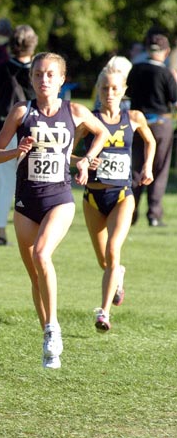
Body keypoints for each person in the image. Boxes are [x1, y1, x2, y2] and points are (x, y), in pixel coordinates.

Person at [0, 52, 109, 369]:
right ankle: (48, 341)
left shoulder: (74, 110)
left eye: (50, 75)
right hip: (27, 203)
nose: (44, 80)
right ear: (31, 79)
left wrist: (84, 158)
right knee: (34, 275)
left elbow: (103, 132)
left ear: (62, 79)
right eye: (38, 74)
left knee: (42, 255)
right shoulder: (21, 111)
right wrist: (17, 150)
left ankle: (54, 327)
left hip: (59, 199)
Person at [73, 62, 155, 332]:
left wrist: (147, 167)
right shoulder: (89, 121)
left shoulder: (134, 118)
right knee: (104, 261)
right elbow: (66, 152)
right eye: (105, 88)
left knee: (113, 249)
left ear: (123, 91)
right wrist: (83, 160)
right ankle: (117, 274)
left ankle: (104, 313)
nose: (110, 93)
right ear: (98, 89)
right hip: (93, 199)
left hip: (122, 196)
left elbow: (151, 141)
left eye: (115, 88)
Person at [0, 24, 38, 246]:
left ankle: (2, 232)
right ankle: (35, 228)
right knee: (34, 182)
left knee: (4, 184)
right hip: (31, 131)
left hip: (4, 128)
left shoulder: (3, 67)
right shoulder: (37, 71)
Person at [127, 33, 177, 227]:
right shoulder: (165, 73)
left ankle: (130, 212)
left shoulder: (136, 69)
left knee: (135, 169)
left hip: (137, 124)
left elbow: (128, 93)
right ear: (165, 52)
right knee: (159, 170)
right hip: (160, 126)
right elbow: (174, 99)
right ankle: (154, 215)